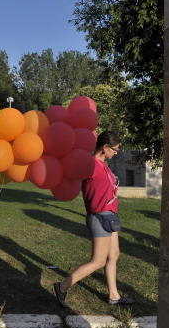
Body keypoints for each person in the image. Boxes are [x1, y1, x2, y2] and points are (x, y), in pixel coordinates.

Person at [53, 131, 134, 308]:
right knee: (98, 261)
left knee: (113, 254)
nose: (116, 152)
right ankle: (62, 286)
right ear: (105, 148)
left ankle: (114, 296)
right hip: (99, 216)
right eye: (114, 149)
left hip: (110, 216)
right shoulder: (91, 165)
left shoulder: (104, 165)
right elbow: (74, 166)